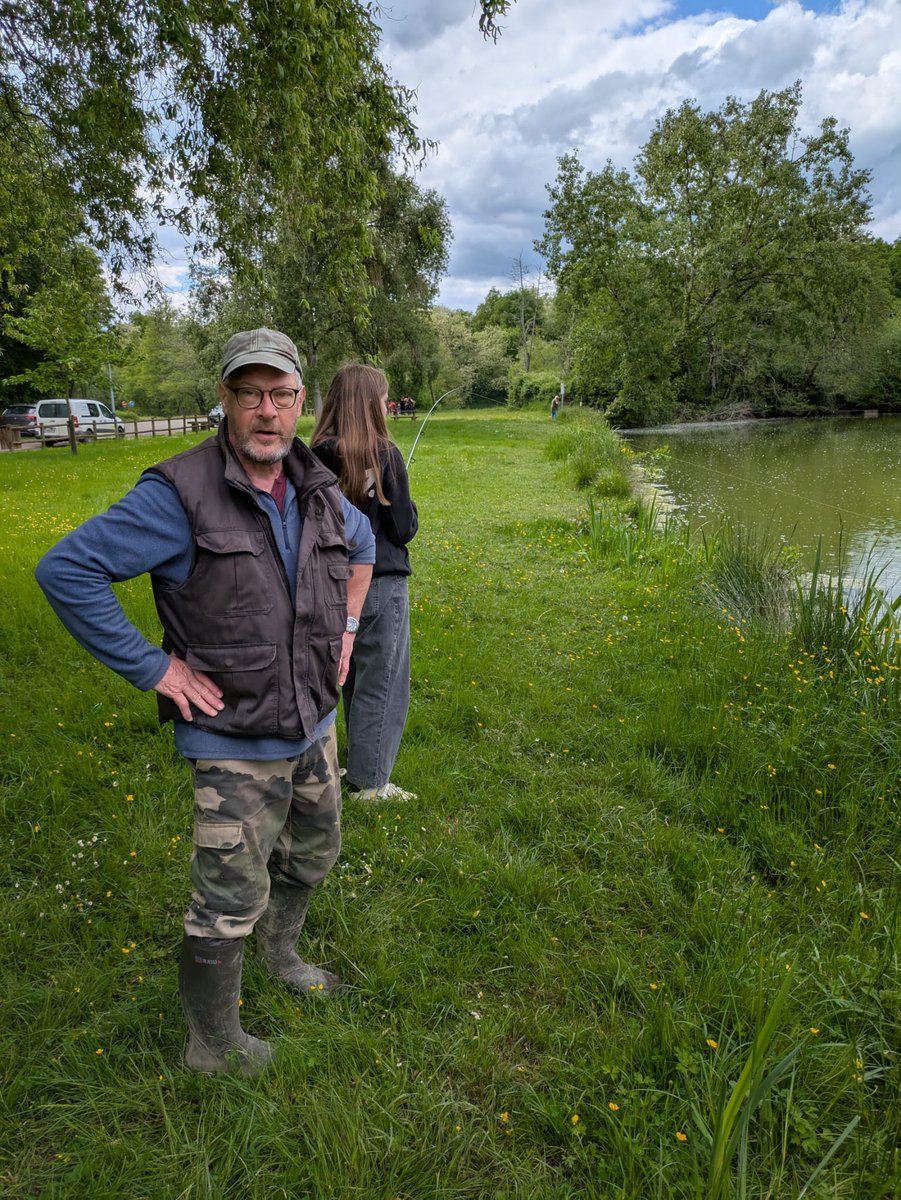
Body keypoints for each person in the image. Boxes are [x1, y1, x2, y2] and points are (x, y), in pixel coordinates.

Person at [34, 328, 376, 1077]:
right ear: (223, 400)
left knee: (314, 854)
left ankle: (282, 955)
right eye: (248, 393)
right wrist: (155, 669)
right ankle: (213, 1047)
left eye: (281, 395)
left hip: (314, 720)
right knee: (226, 897)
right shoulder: (178, 494)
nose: (266, 411)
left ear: (300, 403)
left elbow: (364, 545)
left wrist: (346, 628)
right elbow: (67, 570)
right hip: (232, 734)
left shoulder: (316, 483)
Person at [311, 364, 418, 803]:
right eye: (382, 397)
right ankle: (370, 784)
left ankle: (349, 763)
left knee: (346, 675)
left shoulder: (314, 454)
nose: (385, 404)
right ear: (369, 403)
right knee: (383, 682)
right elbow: (403, 527)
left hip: (331, 582)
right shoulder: (386, 454)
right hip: (383, 585)